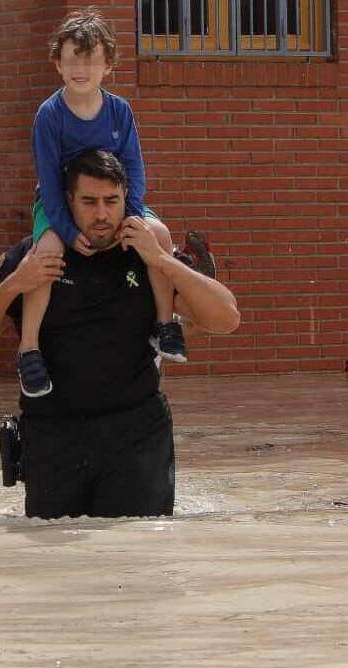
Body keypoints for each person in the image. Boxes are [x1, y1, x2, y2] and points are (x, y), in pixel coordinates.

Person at [0, 149, 239, 519]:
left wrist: (163, 260)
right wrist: (13, 285)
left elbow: (225, 318)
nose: (101, 214)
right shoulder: (37, 255)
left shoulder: (146, 255)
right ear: (68, 201)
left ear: (127, 200)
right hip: (52, 436)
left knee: (137, 555)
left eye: (111, 201)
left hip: (135, 435)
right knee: (56, 563)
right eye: (89, 201)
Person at [18, 7, 211, 398]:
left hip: (117, 203)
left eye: (90, 60)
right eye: (73, 58)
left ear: (108, 64)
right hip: (61, 206)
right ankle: (29, 349)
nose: (81, 69)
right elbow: (50, 183)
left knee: (156, 235)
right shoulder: (49, 116)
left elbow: (135, 168)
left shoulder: (120, 110)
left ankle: (164, 323)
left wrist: (134, 217)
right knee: (46, 253)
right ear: (57, 62)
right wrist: (69, 232)